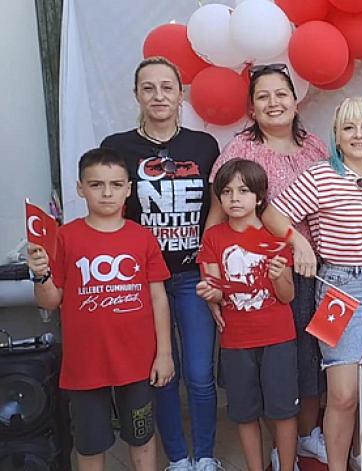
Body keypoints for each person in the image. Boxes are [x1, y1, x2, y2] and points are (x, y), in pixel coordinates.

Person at [264, 97, 362, 471]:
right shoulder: (320, 176)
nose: (358, 135)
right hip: (338, 291)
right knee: (342, 393)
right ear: (336, 135)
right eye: (349, 128)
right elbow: (273, 214)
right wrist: (299, 242)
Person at [99, 56, 221, 471]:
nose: (158, 96)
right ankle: (178, 459)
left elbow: (217, 209)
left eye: (167, 87)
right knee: (162, 372)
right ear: (136, 94)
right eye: (148, 88)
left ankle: (205, 456)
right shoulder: (117, 147)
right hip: (141, 280)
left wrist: (210, 260)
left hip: (191, 276)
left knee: (200, 373)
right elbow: (109, 209)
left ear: (180, 94)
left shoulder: (203, 146)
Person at [208, 63, 329, 468]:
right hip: (258, 276)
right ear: (251, 108)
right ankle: (277, 448)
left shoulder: (315, 146)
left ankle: (306, 437)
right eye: (263, 96)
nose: (273, 102)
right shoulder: (241, 150)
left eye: (281, 94)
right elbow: (216, 220)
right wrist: (213, 277)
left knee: (307, 356)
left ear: (296, 100)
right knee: (267, 365)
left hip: (311, 270)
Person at [26, 148, 174, 471]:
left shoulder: (143, 237)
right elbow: (49, 301)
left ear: (128, 189)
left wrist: (164, 354)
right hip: (85, 364)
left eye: (116, 184)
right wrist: (41, 275)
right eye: (96, 185)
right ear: (80, 188)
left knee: (142, 437)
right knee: (90, 444)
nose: (107, 193)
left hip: (137, 361)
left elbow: (159, 298)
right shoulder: (64, 238)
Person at [196, 159, 298, 471]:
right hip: (236, 341)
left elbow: (288, 295)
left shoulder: (276, 238)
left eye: (243, 191)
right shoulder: (213, 238)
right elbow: (214, 286)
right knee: (244, 412)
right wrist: (210, 292)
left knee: (283, 411)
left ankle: (287, 465)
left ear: (259, 196)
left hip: (278, 338)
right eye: (227, 192)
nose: (235, 198)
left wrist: (278, 276)